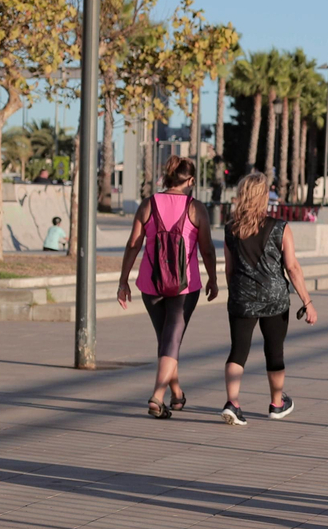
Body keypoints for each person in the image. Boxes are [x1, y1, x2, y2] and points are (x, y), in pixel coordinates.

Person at [118, 157, 218, 419]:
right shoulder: (196, 208)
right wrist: (213, 278)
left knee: (166, 340)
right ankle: (157, 396)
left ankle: (176, 393)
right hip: (185, 287)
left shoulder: (148, 204)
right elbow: (207, 249)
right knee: (171, 339)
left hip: (151, 285)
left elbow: (133, 245)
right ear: (190, 180)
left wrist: (123, 280)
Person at [220, 173, 317, 426]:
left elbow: (229, 270)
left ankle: (233, 402)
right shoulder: (280, 227)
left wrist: (237, 293)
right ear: (264, 197)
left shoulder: (231, 229)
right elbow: (293, 267)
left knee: (238, 351)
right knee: (274, 351)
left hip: (242, 298)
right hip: (275, 299)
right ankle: (276, 403)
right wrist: (307, 302)